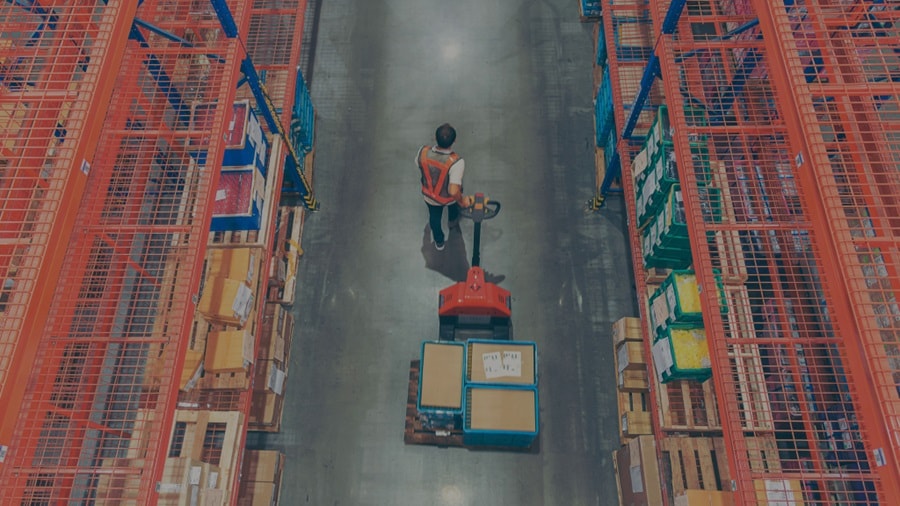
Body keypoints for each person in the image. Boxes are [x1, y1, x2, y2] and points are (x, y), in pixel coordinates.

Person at [416, 123, 474, 251]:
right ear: (454, 141)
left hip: (430, 197)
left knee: (434, 219)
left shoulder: (422, 152)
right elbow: (453, 190)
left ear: (435, 138)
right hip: (449, 199)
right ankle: (452, 222)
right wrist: (462, 201)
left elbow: (418, 164)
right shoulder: (457, 162)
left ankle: (439, 241)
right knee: (453, 208)